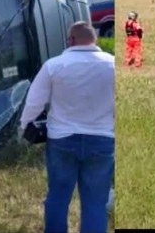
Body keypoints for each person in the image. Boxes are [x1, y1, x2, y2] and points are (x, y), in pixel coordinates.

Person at [19, 21, 115, 233]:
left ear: (71, 40)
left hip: (62, 140)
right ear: (94, 40)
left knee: (58, 198)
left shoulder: (54, 65)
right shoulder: (113, 65)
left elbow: (34, 102)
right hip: (103, 141)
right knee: (95, 203)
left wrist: (24, 127)